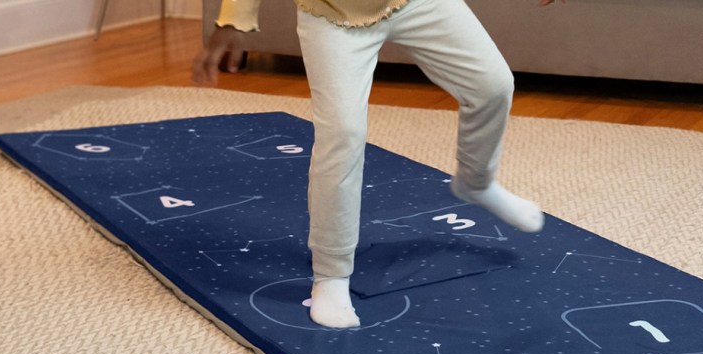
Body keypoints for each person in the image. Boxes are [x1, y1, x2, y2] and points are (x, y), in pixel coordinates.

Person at [193, 0, 563, 329]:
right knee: (343, 134)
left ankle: (476, 182)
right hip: (333, 17)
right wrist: (233, 21)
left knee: (493, 85)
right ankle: (332, 274)